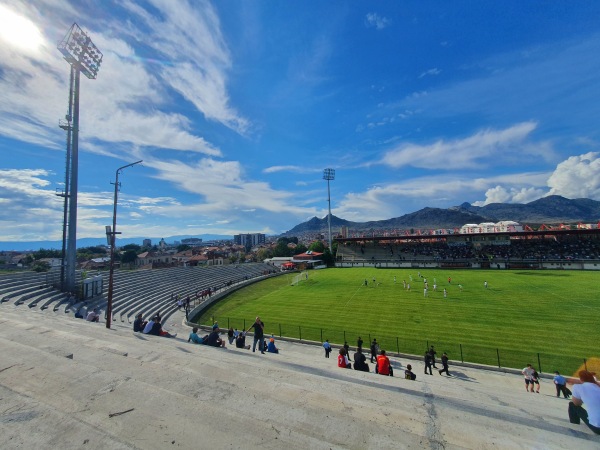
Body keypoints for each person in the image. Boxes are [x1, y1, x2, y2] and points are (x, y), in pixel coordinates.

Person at [568, 370, 600, 434]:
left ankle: (574, 426)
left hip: (597, 428)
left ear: (580, 379)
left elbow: (576, 403)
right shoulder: (597, 385)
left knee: (572, 405)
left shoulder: (578, 387)